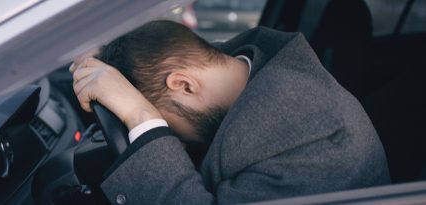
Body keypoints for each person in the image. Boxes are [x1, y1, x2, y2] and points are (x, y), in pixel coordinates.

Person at [69, 20, 390, 204]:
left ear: (184, 84)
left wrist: (141, 117)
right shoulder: (252, 77)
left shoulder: (316, 139)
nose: (175, 142)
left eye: (167, 127)